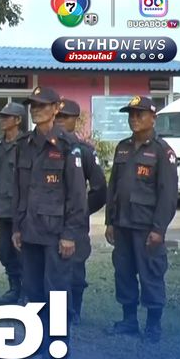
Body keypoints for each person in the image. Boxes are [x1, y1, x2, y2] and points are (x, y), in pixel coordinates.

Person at [14, 86, 87, 359]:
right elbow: (20, 191)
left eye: (42, 105)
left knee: (56, 289)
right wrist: (17, 227)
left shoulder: (68, 146)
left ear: (56, 109)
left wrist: (70, 234)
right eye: (33, 105)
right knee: (33, 288)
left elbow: (77, 195)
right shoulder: (24, 144)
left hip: (57, 232)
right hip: (30, 230)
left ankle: (57, 342)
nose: (36, 110)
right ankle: (38, 338)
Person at [105, 96, 178, 343]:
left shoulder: (162, 152)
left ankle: (153, 326)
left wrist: (159, 229)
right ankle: (129, 321)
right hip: (122, 224)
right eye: (131, 115)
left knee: (151, 275)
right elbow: (113, 187)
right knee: (123, 273)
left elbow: (168, 195)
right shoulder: (122, 147)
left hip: (146, 227)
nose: (134, 119)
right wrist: (110, 221)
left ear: (153, 118)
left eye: (140, 114)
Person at [56, 99, 107, 324]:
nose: (59, 121)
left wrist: (82, 211)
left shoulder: (84, 151)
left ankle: (74, 310)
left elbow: (99, 189)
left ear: (75, 120)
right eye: (57, 117)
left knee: (75, 269)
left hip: (74, 222)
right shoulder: (44, 148)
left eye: (65, 117)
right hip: (47, 221)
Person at [0, 101, 26, 304]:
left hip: (21, 210)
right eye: (1, 116)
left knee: (22, 251)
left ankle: (26, 292)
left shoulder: (26, 144)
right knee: (4, 251)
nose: (2, 120)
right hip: (2, 208)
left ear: (18, 120)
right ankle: (14, 288)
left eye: (7, 117)